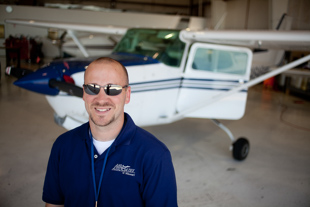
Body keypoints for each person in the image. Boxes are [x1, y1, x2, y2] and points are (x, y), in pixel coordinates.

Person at [42, 57, 178, 207]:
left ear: (127, 95)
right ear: (84, 93)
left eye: (112, 89)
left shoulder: (155, 155)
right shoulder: (62, 146)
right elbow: (54, 204)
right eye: (92, 88)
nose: (101, 99)